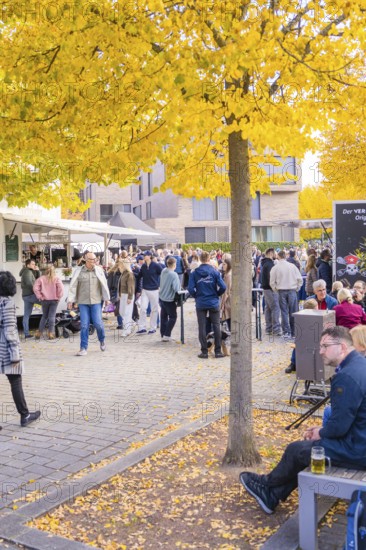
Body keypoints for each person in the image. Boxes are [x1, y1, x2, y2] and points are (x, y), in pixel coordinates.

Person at [240, 326, 366, 514]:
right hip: (358, 440)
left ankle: (267, 485)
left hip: (358, 451)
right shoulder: (358, 364)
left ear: (341, 347)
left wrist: (320, 433)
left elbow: (339, 426)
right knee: (305, 451)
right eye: (320, 346)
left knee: (298, 450)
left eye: (325, 346)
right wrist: (322, 431)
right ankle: (271, 495)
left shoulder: (346, 376)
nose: (320, 351)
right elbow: (346, 418)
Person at [0, 271, 41, 428]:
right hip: (5, 348)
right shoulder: (7, 303)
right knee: (15, 381)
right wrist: (15, 353)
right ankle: (25, 415)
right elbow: (10, 329)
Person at [67, 252, 110, 356]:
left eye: (95, 259)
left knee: (98, 323)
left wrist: (106, 298)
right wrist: (70, 300)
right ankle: (83, 348)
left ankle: (102, 339)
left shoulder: (99, 270)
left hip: (96, 301)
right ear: (85, 260)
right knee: (84, 325)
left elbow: (104, 284)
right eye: (91, 259)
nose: (93, 261)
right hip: (83, 302)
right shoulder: (79, 271)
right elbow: (73, 286)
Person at [188, 250, 226, 359]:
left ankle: (204, 351)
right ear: (209, 259)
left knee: (202, 326)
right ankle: (218, 351)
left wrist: (196, 296)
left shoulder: (195, 273)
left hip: (201, 302)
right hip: (213, 301)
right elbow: (223, 287)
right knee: (216, 326)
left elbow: (190, 288)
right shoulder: (214, 272)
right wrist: (216, 294)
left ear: (200, 259)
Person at [270, 250, 303, 339]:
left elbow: (272, 282)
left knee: (284, 312)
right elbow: (300, 279)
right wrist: (297, 288)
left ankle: (286, 332)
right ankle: (293, 332)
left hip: (281, 291)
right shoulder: (292, 266)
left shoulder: (275, 267)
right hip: (292, 290)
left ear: (278, 257)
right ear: (285, 256)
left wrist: (275, 289)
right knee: (293, 311)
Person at [33, 265, 64, 340]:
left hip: (44, 300)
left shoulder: (41, 279)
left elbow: (35, 288)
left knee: (44, 316)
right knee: (52, 316)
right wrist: (59, 296)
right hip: (54, 300)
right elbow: (61, 288)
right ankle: (51, 333)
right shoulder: (56, 279)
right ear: (54, 271)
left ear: (45, 271)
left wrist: (40, 296)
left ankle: (39, 333)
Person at [136, 251, 163, 335]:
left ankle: (153, 327)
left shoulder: (156, 265)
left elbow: (162, 274)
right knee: (143, 308)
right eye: (144, 255)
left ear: (149, 256)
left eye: (145, 255)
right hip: (145, 290)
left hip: (154, 290)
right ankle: (142, 327)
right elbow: (139, 276)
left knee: (154, 309)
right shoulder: (143, 266)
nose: (144, 256)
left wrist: (160, 285)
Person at [159, 257, 181, 341]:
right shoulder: (173, 274)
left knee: (164, 317)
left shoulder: (164, 271)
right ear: (174, 265)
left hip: (162, 297)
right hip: (169, 299)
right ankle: (167, 335)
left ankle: (163, 334)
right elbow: (177, 289)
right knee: (173, 317)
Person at [261, 248, 282, 337]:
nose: (275, 255)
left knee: (268, 308)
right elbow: (271, 278)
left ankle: (269, 328)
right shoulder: (269, 264)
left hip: (266, 288)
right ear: (271, 253)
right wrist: (275, 287)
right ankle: (276, 329)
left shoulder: (264, 263)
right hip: (270, 288)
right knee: (275, 307)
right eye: (274, 253)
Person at [20, 259, 41, 339]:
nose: (34, 265)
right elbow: (31, 284)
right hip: (31, 295)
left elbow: (36, 279)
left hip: (26, 296)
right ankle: (49, 328)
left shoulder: (27, 271)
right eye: (32, 264)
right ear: (28, 265)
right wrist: (38, 293)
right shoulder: (27, 272)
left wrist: (37, 271)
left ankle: (26, 333)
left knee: (26, 315)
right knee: (47, 305)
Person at [118, 260, 135, 338]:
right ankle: (131, 323)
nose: (119, 266)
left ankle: (126, 330)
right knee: (122, 312)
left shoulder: (129, 274)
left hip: (128, 295)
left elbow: (131, 287)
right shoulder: (123, 273)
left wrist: (130, 297)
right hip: (123, 295)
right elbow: (120, 285)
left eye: (121, 264)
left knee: (126, 313)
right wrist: (119, 294)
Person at [220, 257, 232, 332]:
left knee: (230, 320)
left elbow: (226, 292)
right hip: (229, 300)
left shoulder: (228, 275)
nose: (222, 266)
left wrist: (222, 304)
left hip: (229, 301)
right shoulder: (228, 274)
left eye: (224, 264)